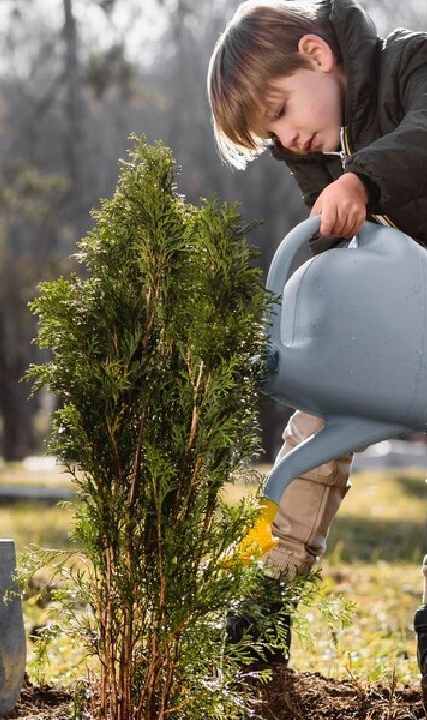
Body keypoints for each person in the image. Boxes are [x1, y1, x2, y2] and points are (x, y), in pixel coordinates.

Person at [207, 0, 427, 671]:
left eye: (279, 112)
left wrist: (363, 178)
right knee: (320, 422)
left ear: (316, 54)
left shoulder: (410, 65)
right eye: (267, 137)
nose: (285, 140)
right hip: (407, 315)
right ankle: (267, 595)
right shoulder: (321, 157)